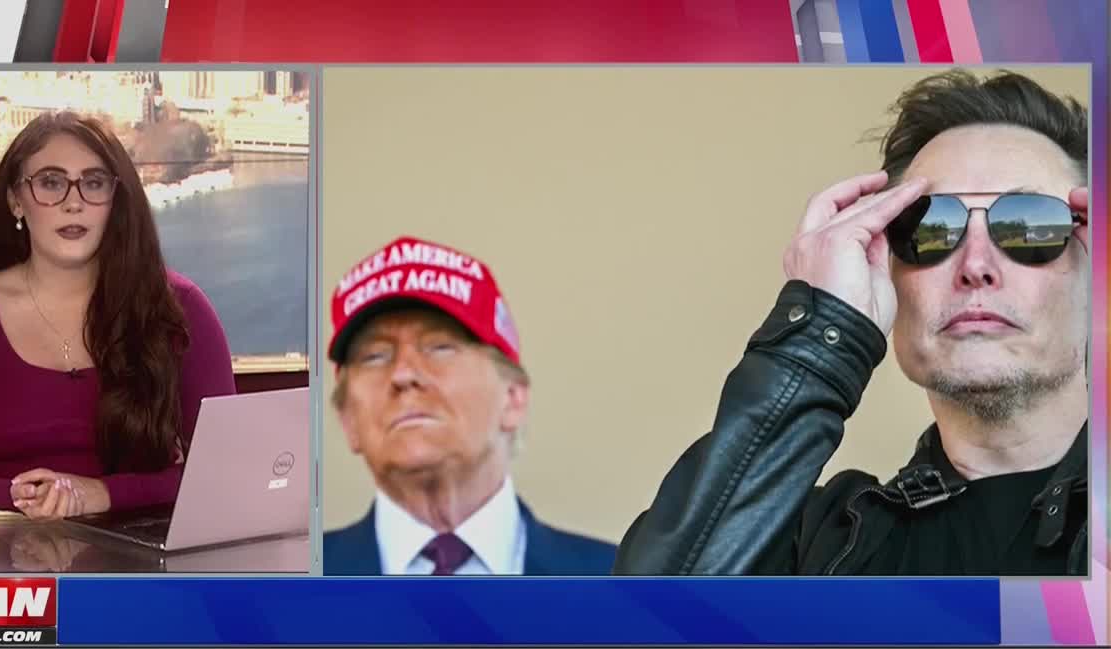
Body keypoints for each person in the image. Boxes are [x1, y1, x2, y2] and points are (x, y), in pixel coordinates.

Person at [615, 70, 1090, 576]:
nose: (975, 265)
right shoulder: (814, 547)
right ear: (885, 271)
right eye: (929, 228)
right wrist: (822, 331)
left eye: (1032, 226)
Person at [0, 111, 237, 519]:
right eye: (51, 183)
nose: (73, 203)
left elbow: (223, 470)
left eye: (93, 183)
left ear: (115, 201)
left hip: (145, 549)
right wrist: (28, 498)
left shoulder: (180, 308)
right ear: (16, 200)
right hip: (18, 548)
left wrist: (100, 494)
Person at [322, 237, 616, 575]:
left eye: (439, 347)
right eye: (374, 356)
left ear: (513, 397)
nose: (403, 374)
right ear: (348, 420)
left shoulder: (622, 583)